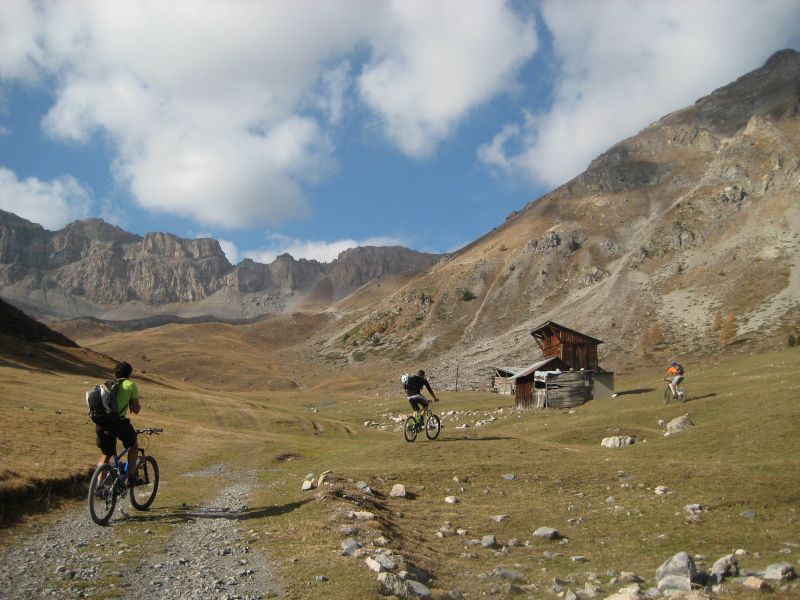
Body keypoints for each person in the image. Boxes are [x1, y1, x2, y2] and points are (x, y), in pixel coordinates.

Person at [95, 361, 142, 486]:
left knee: (106, 454)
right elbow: (136, 410)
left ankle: (98, 486)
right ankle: (131, 478)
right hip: (117, 423)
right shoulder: (130, 385)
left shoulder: (108, 385)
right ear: (129, 374)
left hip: (101, 424)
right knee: (133, 445)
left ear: (115, 373)